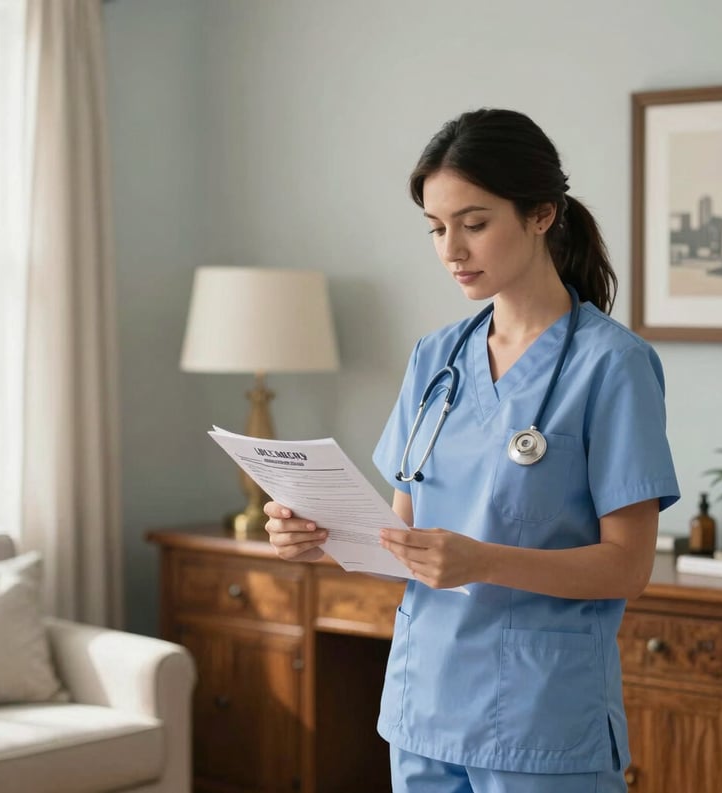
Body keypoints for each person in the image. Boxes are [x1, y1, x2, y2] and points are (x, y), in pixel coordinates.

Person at [265, 108, 680, 793]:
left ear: (542, 214)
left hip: (541, 718)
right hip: (422, 706)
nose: (451, 249)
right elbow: (401, 542)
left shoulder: (613, 365)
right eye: (436, 227)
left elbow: (627, 566)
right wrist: (320, 538)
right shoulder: (436, 358)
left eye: (474, 222)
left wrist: (482, 560)